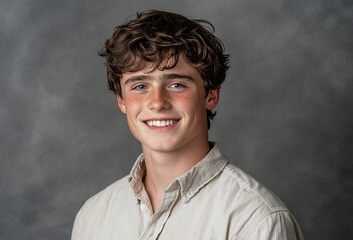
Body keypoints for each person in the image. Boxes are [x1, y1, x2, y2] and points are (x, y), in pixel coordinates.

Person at [71, 10, 304, 240]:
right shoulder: (92, 216)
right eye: (140, 86)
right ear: (121, 100)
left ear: (211, 94)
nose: (157, 103)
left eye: (177, 84)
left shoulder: (256, 220)